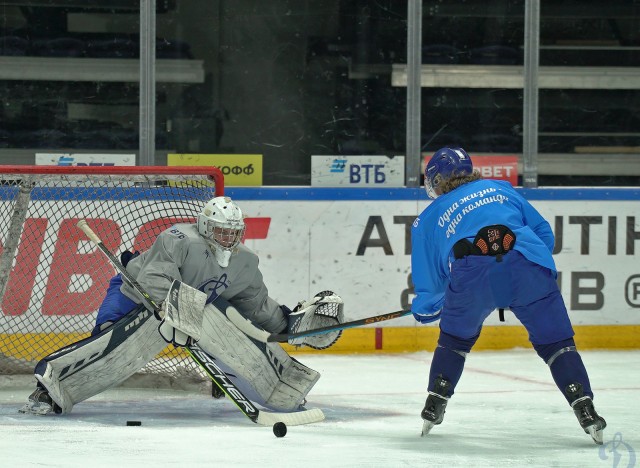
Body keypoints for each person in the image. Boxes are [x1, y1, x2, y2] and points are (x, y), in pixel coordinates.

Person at [21, 196, 343, 416]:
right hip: (133, 294)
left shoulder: (245, 261)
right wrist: (182, 313)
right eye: (220, 231)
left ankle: (271, 387)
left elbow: (255, 306)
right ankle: (50, 391)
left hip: (190, 311)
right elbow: (155, 281)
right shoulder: (178, 238)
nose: (227, 238)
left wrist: (287, 325)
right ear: (204, 226)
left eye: (233, 232)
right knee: (109, 340)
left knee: (231, 336)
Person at [411, 147, 606, 444]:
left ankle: (435, 401)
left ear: (437, 179)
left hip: (472, 273)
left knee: (454, 341)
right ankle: (584, 406)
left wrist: (428, 308)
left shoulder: (427, 219)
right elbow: (543, 233)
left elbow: (430, 280)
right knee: (557, 344)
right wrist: (529, 264)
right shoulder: (500, 188)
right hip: (528, 264)